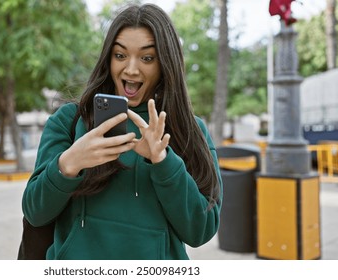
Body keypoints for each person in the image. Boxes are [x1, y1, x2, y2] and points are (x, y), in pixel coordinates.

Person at [22, 3, 222, 260]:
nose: (131, 69)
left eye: (147, 58)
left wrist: (162, 162)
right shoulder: (69, 121)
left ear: (165, 63)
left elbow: (201, 230)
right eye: (120, 55)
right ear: (108, 58)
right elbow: (34, 212)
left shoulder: (189, 131)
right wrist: (69, 163)